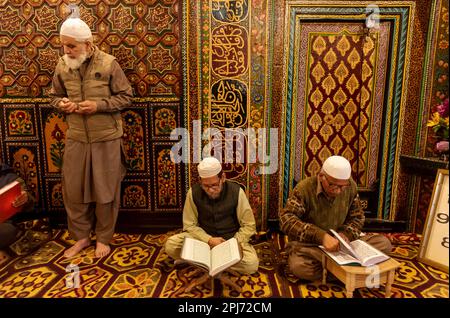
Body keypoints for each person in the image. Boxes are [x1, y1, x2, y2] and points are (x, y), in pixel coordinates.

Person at [49, 11, 133, 258]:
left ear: (87, 44)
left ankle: (104, 239)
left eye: (71, 46)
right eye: (64, 46)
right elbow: (53, 96)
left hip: (106, 137)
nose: (67, 51)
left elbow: (126, 96)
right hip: (76, 137)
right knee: (73, 191)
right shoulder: (63, 65)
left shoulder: (109, 63)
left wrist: (99, 106)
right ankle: (82, 238)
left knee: (105, 191)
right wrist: (62, 104)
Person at [279, 155, 392, 281]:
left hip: (342, 245)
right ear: (321, 176)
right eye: (334, 186)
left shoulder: (351, 187)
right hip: (313, 246)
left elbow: (357, 218)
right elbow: (287, 220)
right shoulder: (304, 189)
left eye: (343, 186)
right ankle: (348, 272)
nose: (339, 191)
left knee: (384, 244)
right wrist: (321, 237)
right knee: (300, 267)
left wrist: (345, 235)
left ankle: (335, 271)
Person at [165, 157, 259, 275]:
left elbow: (249, 226)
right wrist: (209, 240)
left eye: (214, 185)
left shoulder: (237, 192)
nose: (211, 190)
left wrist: (232, 243)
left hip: (230, 240)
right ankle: (217, 263)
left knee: (251, 264)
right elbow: (190, 225)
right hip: (203, 241)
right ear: (200, 181)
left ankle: (200, 262)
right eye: (206, 186)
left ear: (223, 178)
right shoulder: (193, 193)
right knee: (171, 245)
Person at [0, 161, 35, 266]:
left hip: (3, 225)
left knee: (9, 230)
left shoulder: (10, 178)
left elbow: (30, 203)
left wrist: (25, 198)